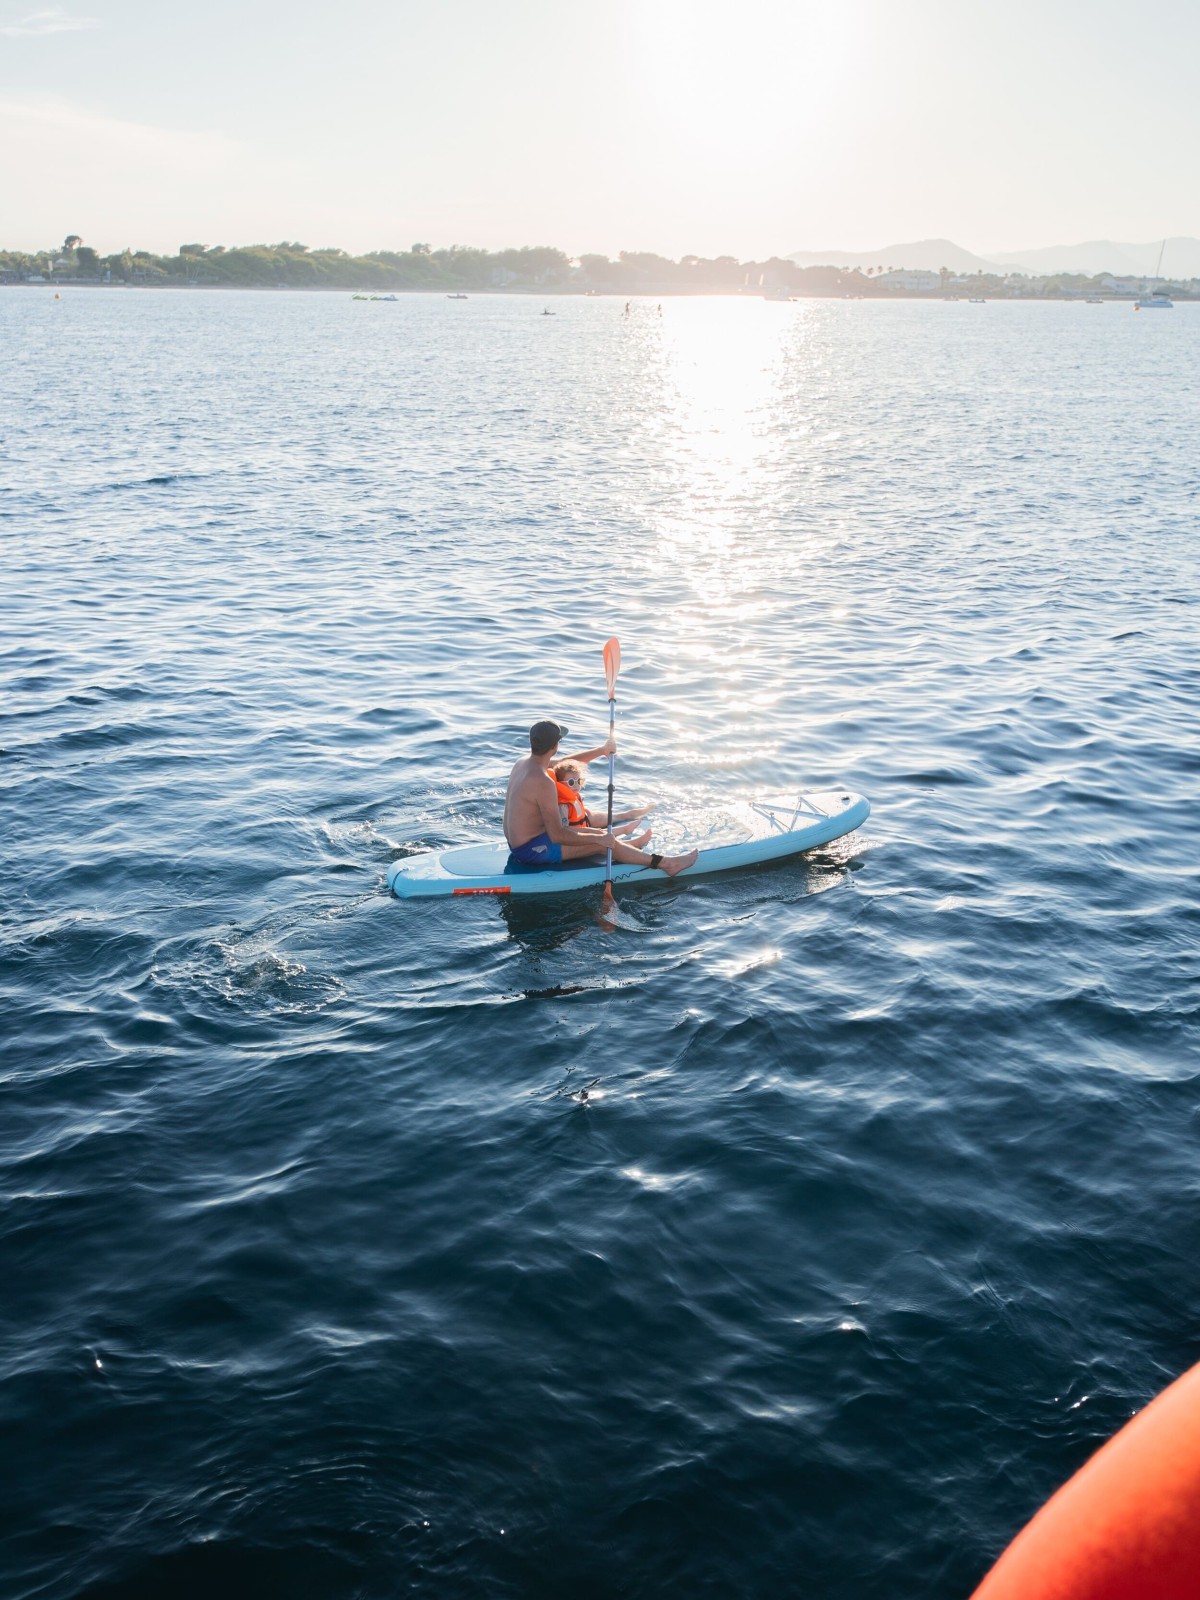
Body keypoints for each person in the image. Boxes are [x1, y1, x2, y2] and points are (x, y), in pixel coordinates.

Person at [503, 720, 698, 876]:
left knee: (597, 833)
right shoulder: (543, 782)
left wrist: (601, 750)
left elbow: (565, 762)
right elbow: (557, 835)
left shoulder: (523, 763)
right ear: (555, 746)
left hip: (520, 842)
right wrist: (601, 841)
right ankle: (666, 863)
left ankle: (628, 848)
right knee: (600, 843)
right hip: (532, 849)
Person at [553, 758, 652, 848]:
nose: (576, 786)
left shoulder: (574, 797)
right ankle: (631, 842)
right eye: (571, 782)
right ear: (560, 784)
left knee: (604, 828)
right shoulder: (563, 806)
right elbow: (565, 831)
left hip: (585, 826)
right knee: (600, 836)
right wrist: (588, 833)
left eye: (579, 781)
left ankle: (628, 824)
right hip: (577, 837)